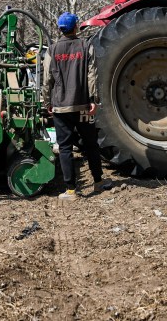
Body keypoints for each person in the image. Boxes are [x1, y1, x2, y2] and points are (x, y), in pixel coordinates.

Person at [42, 12, 108, 200]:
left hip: (61, 107)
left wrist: (47, 101)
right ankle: (98, 182)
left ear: (59, 29)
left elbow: (47, 79)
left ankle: (71, 190)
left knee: (65, 148)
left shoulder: (52, 50)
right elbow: (92, 75)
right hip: (83, 106)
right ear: (76, 27)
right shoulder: (86, 46)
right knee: (91, 144)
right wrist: (94, 100)